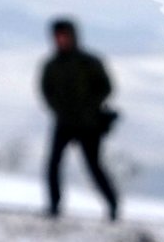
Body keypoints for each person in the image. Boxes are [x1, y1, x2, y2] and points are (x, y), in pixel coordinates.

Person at [39, 18, 120, 221]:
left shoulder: (89, 62)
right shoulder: (52, 65)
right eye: (58, 36)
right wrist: (60, 109)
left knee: (93, 167)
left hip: (89, 125)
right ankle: (54, 207)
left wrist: (88, 108)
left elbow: (106, 88)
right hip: (63, 123)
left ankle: (112, 206)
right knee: (53, 165)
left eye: (64, 35)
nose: (61, 40)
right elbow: (46, 91)